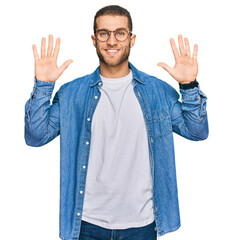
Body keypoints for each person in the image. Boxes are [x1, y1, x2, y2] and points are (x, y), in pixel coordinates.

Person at [25, 5, 208, 240]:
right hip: (87, 224)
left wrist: (189, 86)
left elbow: (197, 131)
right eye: (104, 33)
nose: (112, 41)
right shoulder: (72, 93)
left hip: (143, 225)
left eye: (120, 33)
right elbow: (35, 136)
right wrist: (43, 85)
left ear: (132, 39)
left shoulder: (158, 92)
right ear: (94, 39)